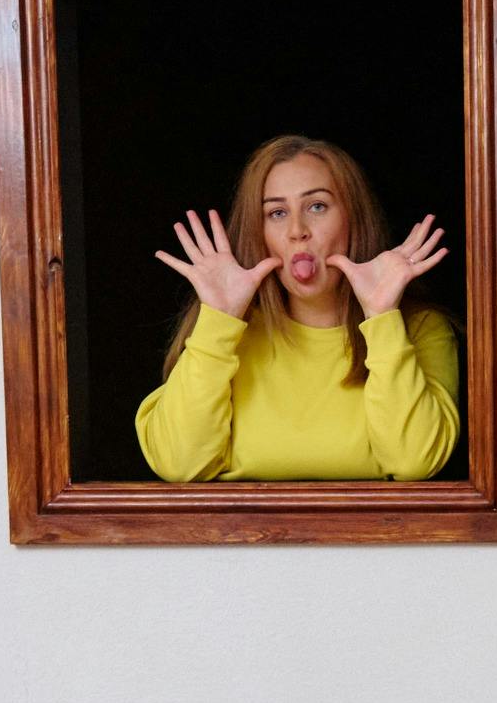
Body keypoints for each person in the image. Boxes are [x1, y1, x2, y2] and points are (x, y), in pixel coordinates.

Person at [138, 136, 460, 481]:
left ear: (353, 218)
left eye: (317, 206)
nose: (297, 231)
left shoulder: (419, 328)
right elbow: (179, 464)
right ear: (260, 233)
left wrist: (382, 316)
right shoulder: (227, 330)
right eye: (277, 213)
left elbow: (414, 462)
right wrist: (218, 321)